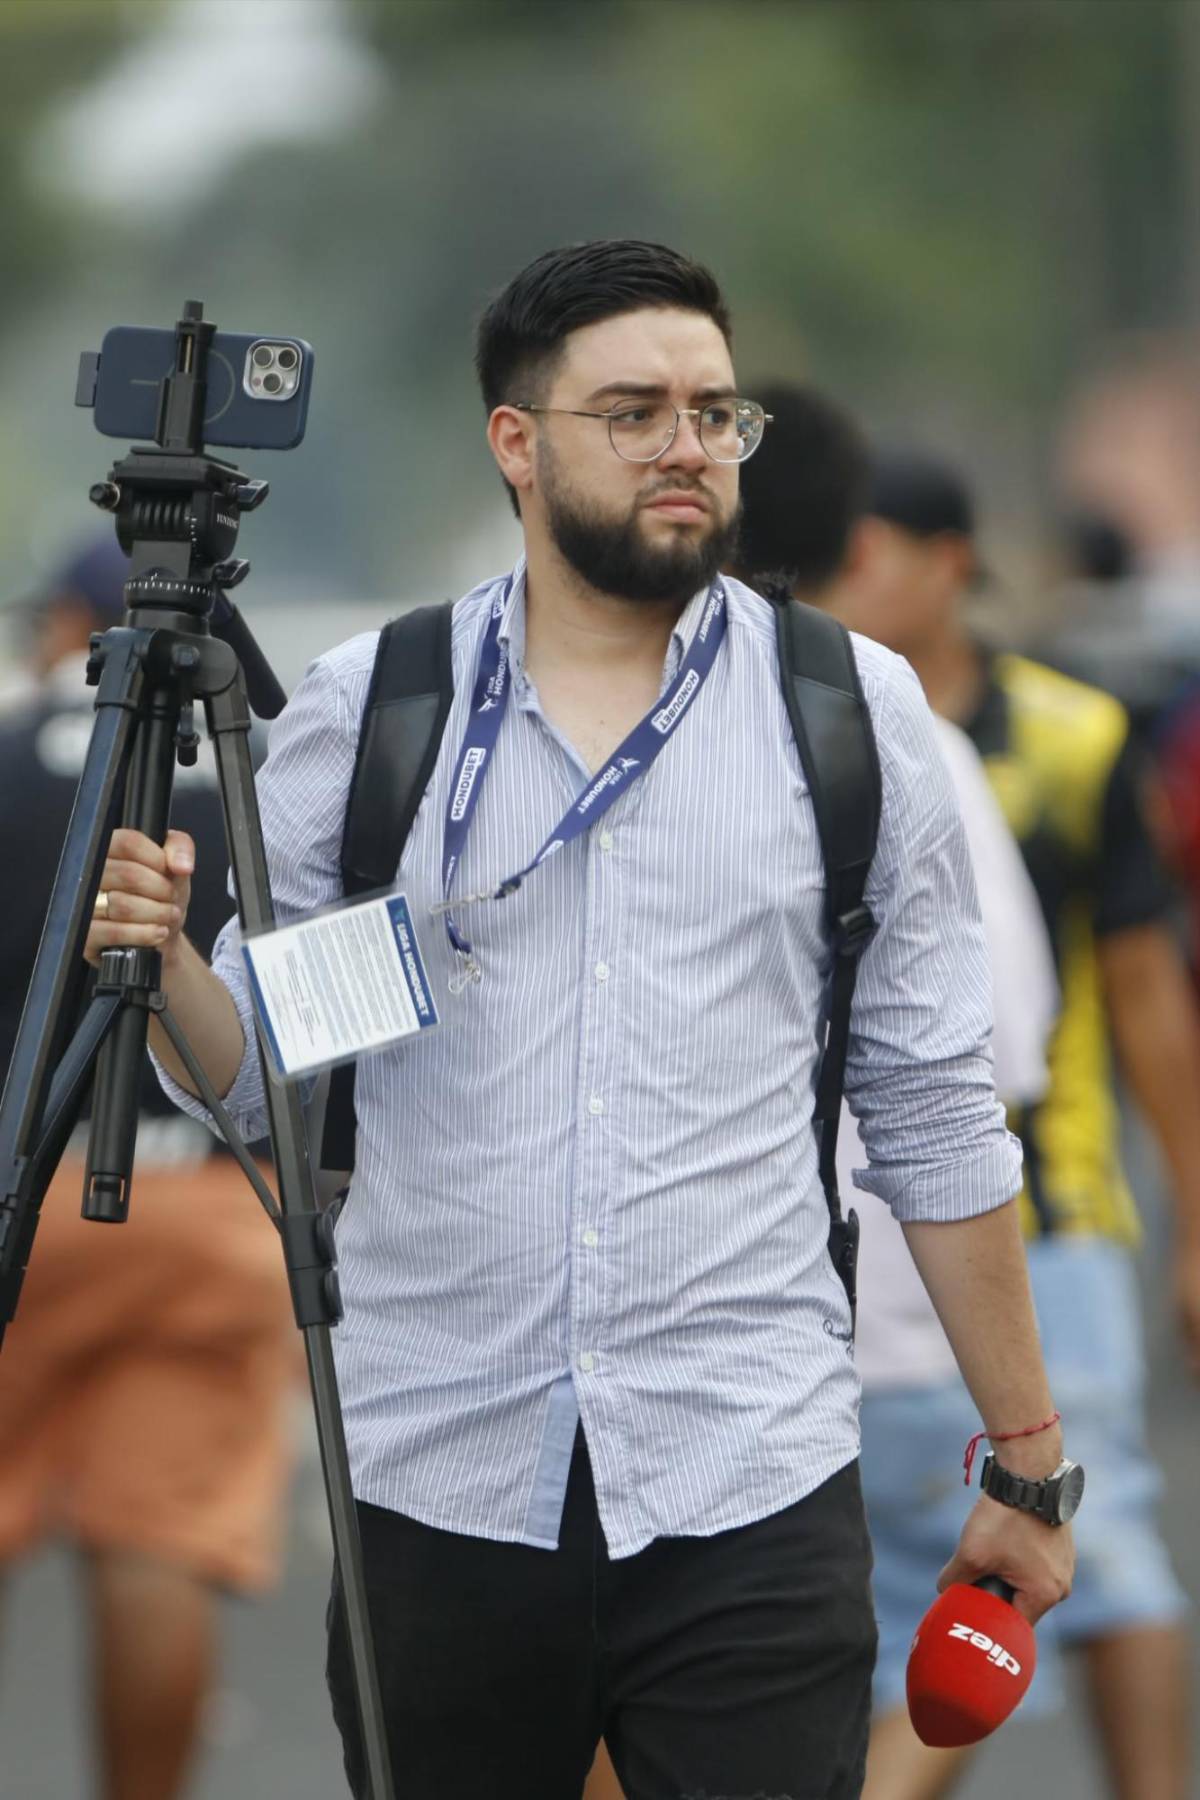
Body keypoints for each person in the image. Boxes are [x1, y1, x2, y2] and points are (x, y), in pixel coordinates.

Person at [91, 240, 1074, 1800]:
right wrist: (168, 974)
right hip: (437, 1469)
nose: (687, 444)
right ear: (517, 442)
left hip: (747, 1464)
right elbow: (255, 1079)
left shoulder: (852, 710)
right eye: (633, 410)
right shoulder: (373, 708)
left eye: (713, 411)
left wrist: (1029, 1458)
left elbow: (938, 1107)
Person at [743, 425, 1196, 1800]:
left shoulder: (1069, 730)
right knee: (944, 1606)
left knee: (1091, 1553)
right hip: (858, 1246)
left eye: (877, 549)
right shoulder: (813, 724)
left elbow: (1138, 991)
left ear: (947, 565)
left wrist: (1189, 1218)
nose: (853, 570)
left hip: (1043, 1210)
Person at [0, 539, 298, 1800]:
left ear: (75, 623)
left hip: (21, 1192)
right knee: (156, 1540)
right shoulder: (268, 771)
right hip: (214, 1198)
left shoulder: (12, 747)